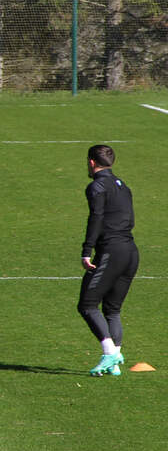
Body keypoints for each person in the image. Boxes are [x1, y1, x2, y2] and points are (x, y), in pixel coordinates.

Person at [78, 144, 138, 377]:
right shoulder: (123, 186)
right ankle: (114, 364)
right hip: (131, 251)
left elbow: (96, 218)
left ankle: (110, 353)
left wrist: (87, 250)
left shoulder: (97, 186)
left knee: (87, 305)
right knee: (112, 309)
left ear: (92, 162)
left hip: (111, 251)